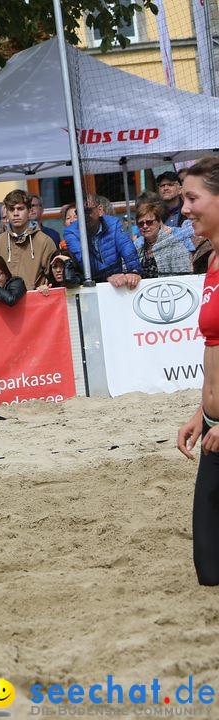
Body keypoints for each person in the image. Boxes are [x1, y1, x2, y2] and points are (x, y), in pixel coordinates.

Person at [176, 156, 219, 586]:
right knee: (208, 567)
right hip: (213, 427)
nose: (184, 208)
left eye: (193, 197)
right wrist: (200, 413)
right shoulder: (211, 262)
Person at [63, 193, 142, 287]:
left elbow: (127, 248)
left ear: (100, 210)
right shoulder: (71, 232)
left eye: (88, 211)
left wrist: (134, 271)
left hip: (118, 283)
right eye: (79, 212)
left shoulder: (113, 223)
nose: (84, 216)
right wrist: (108, 276)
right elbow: (82, 259)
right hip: (89, 284)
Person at [0, 190, 56, 291]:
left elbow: (54, 277)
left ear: (29, 211)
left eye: (20, 209)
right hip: (4, 303)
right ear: (7, 212)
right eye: (11, 209)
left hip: (36, 302)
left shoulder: (44, 241)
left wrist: (47, 286)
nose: (15, 213)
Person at [135, 201, 192, 278]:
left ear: (159, 222)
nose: (145, 226)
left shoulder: (174, 246)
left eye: (149, 222)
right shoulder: (138, 248)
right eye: (141, 223)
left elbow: (184, 277)